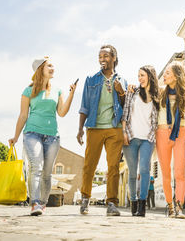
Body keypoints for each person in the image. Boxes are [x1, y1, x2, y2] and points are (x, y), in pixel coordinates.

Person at [9, 57, 77, 216]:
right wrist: (16, 136)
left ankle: (43, 204)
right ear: (40, 69)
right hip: (32, 133)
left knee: (47, 173)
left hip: (52, 136)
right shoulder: (28, 91)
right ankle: (35, 203)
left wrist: (71, 94)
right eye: (49, 65)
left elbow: (61, 113)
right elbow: (23, 115)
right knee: (36, 168)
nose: (53, 68)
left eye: (53, 65)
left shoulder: (57, 90)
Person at [77, 45, 127, 216]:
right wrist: (80, 129)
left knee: (113, 167)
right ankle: (85, 198)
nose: (102, 59)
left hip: (115, 128)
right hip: (94, 127)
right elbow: (84, 105)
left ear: (114, 58)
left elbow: (125, 106)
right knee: (89, 165)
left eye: (106, 56)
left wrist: (121, 93)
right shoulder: (91, 79)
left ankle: (112, 203)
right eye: (100, 56)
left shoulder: (121, 80)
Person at [156, 62, 185, 219]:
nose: (164, 75)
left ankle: (179, 206)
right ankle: (170, 206)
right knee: (166, 173)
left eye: (167, 73)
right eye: (164, 73)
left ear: (176, 76)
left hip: (180, 133)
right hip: (162, 132)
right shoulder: (160, 93)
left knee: (179, 172)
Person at [122, 65, 159, 217]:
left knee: (144, 170)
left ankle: (142, 206)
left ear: (150, 76)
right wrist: (124, 132)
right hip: (131, 137)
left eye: (142, 75)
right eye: (138, 76)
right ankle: (134, 203)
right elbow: (125, 112)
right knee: (132, 172)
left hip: (148, 139)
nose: (139, 78)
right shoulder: (133, 92)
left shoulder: (158, 96)